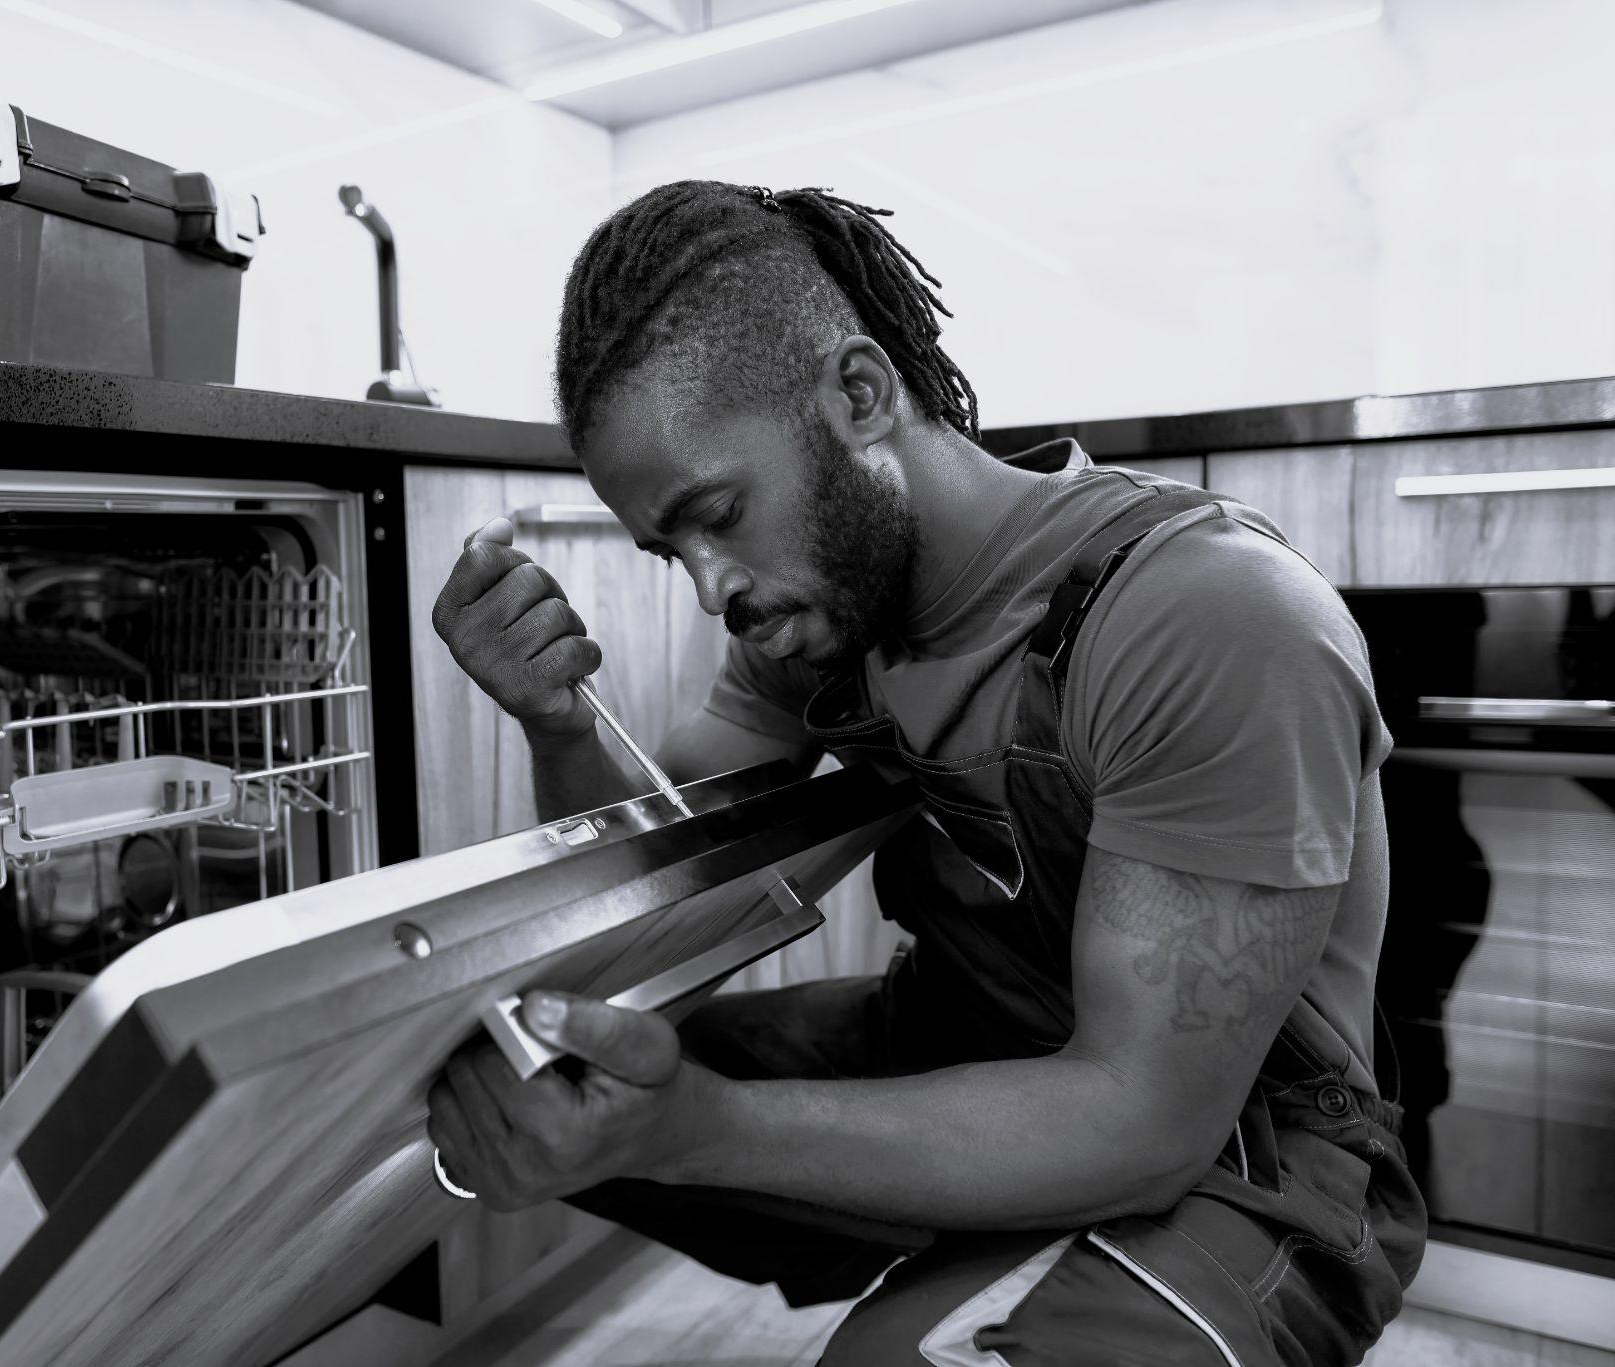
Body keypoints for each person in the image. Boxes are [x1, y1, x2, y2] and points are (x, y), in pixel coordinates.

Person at [425, 180, 1424, 1365]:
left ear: (857, 394)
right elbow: (659, 905)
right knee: (515, 1085)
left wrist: (696, 1130)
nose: (709, 587)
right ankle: (960, 1243)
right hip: (966, 1036)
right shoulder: (815, 613)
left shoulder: (1201, 615)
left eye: (719, 514)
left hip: (1240, 1155)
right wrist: (556, 726)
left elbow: (1147, 1118)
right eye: (668, 549)